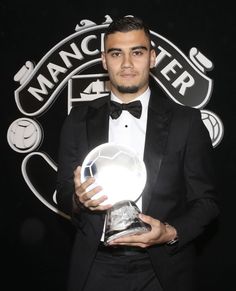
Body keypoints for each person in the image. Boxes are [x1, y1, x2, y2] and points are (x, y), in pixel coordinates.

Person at [56, 15, 220, 291]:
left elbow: (207, 203)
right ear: (104, 60)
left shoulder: (186, 122)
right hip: (95, 267)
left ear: (153, 57)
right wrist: (77, 199)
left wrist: (169, 233)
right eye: (117, 53)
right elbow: (62, 193)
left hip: (163, 270)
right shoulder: (78, 119)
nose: (127, 64)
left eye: (138, 52)